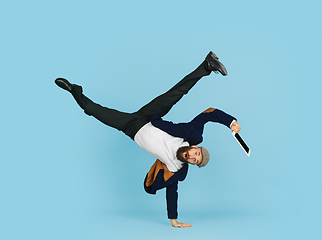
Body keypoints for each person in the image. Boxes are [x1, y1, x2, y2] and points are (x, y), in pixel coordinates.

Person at [55, 51, 241, 228]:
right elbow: (209, 114)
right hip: (150, 116)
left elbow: (171, 191)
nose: (192, 157)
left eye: (194, 161)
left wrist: (173, 220)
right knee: (176, 93)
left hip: (131, 128)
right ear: (196, 148)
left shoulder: (176, 168)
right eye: (196, 154)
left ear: (191, 163)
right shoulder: (191, 135)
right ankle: (207, 65)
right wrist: (231, 122)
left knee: (95, 112)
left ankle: (74, 91)